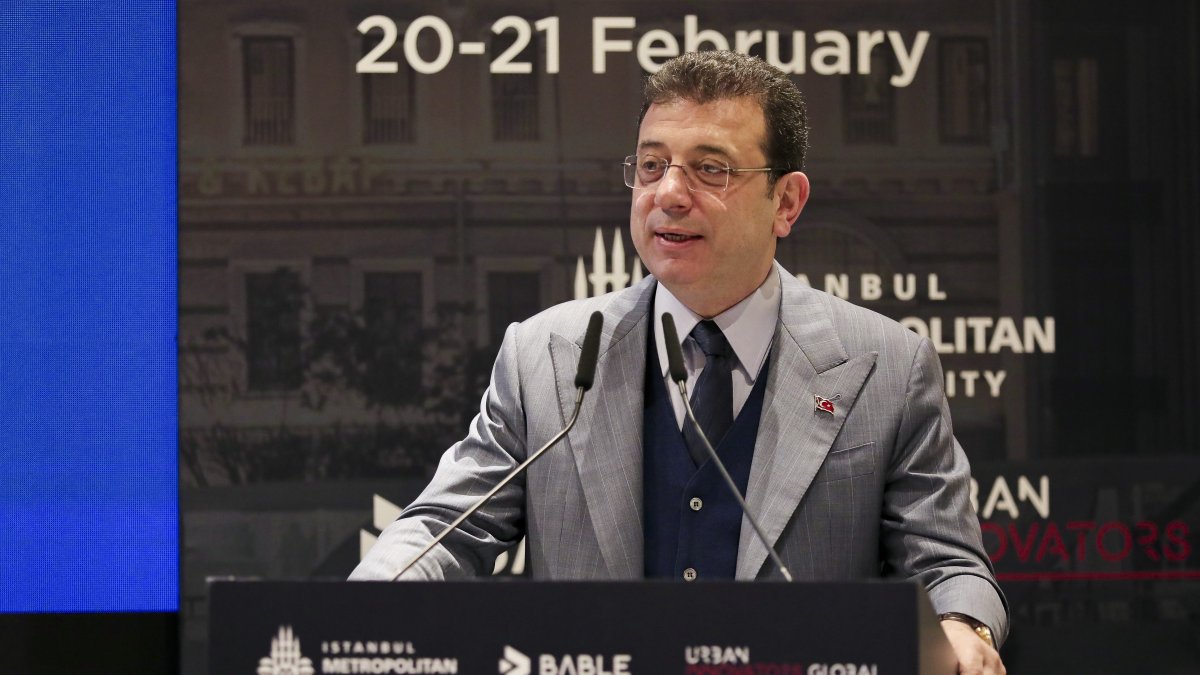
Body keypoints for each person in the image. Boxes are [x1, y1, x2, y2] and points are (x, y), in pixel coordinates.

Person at [352, 50, 1008, 674]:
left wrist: (961, 626)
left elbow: (947, 563)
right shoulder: (546, 356)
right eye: (650, 165)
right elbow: (446, 527)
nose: (668, 193)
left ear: (786, 203)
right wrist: (363, 606)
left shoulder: (887, 366)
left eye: (709, 168)